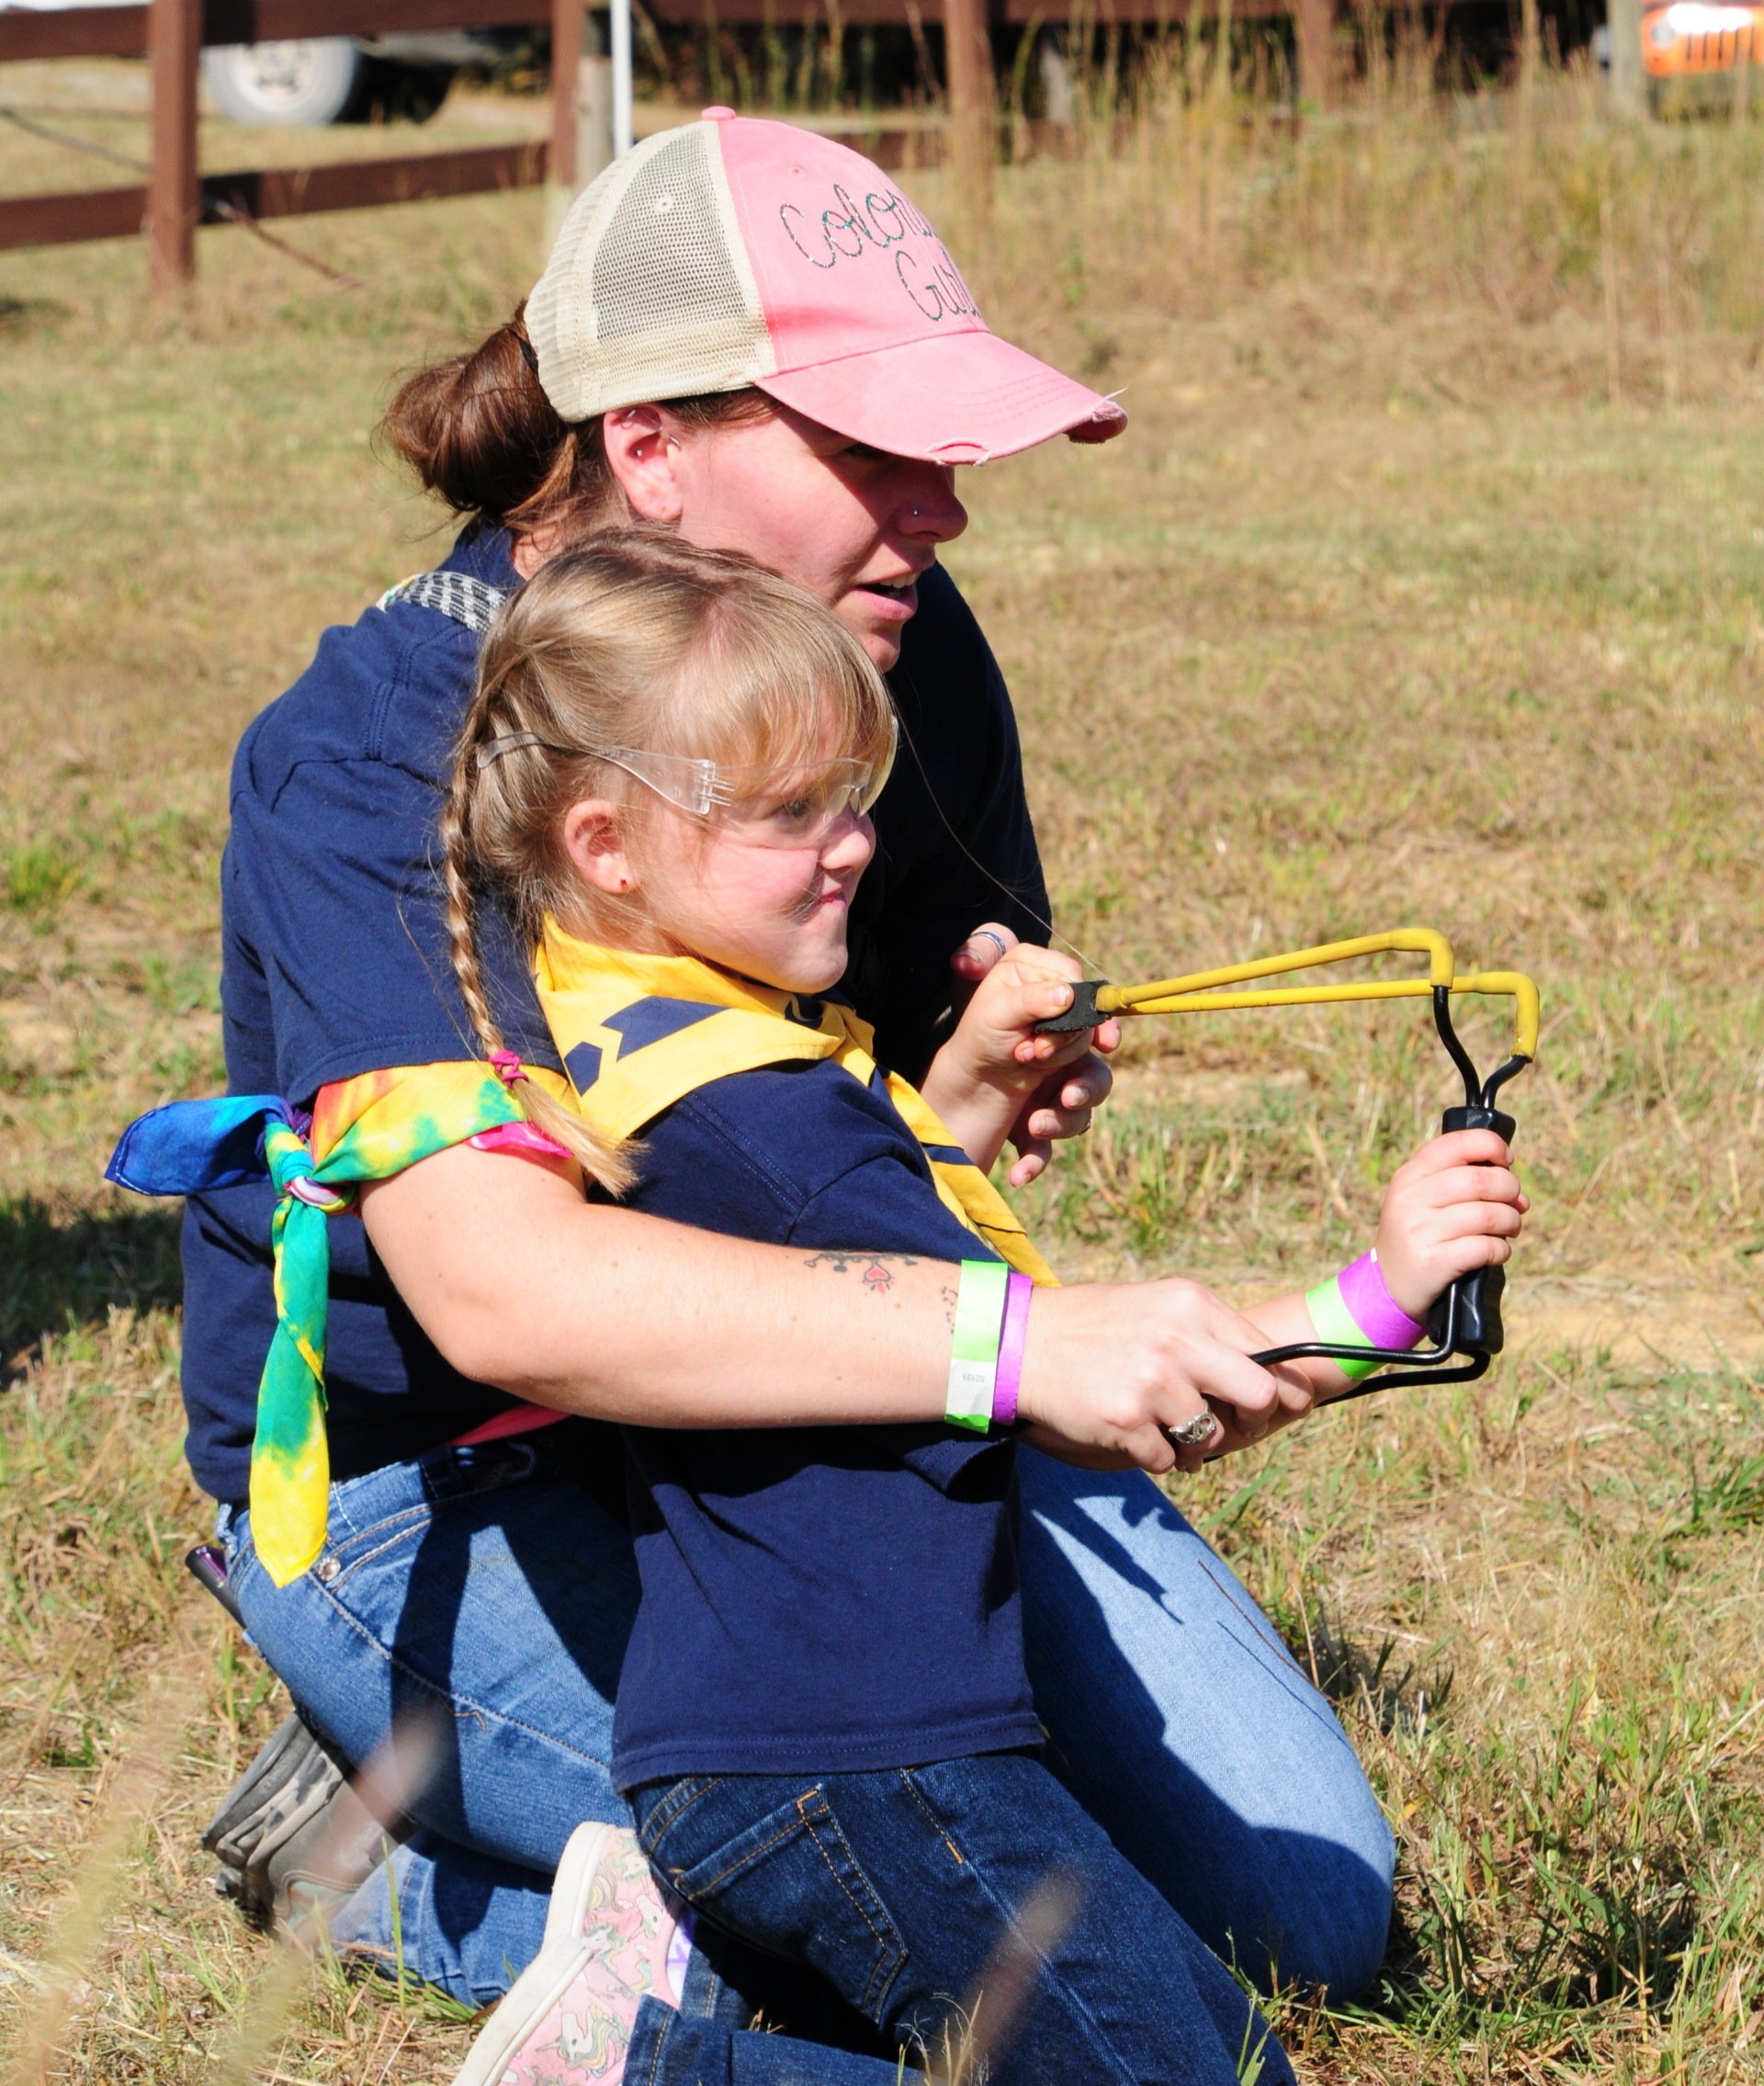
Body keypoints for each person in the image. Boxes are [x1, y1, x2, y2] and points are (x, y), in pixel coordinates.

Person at [133, 113, 1520, 2041]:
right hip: (449, 1478)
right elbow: (506, 1290)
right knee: (876, 1905)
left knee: (1306, 1911)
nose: (942, 512)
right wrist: (1019, 1346)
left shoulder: (896, 648)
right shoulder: (378, 752)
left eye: (948, 453)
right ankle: (366, 1853)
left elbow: (822, 1155)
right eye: (877, 451)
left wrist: (958, 1095)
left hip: (817, 1440)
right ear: (649, 446)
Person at [424, 530, 1526, 2085]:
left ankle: (678, 1998)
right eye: (790, 811)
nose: (853, 846)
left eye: (855, 796)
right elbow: (1135, 1407)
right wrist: (1390, 1290)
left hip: (755, 1755)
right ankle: (640, 2068)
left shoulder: (645, 1044)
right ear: (606, 844)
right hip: (881, 1768)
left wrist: (955, 1104)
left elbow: (835, 1245)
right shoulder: (790, 1127)